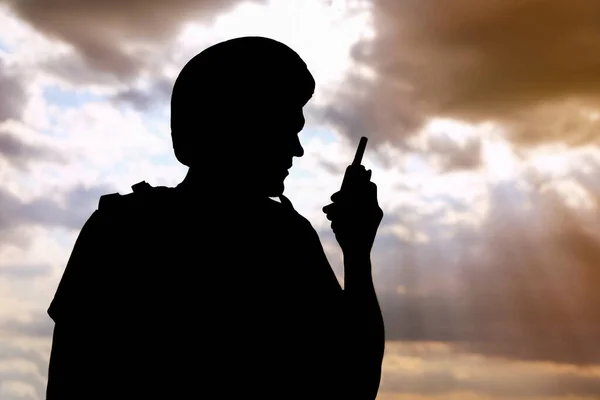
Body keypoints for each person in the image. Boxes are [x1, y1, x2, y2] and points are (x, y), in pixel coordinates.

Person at [45, 36, 385, 400]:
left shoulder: (118, 228)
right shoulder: (283, 239)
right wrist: (357, 251)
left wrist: (356, 245)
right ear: (243, 126)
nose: (297, 149)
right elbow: (355, 384)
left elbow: (68, 381)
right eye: (287, 129)